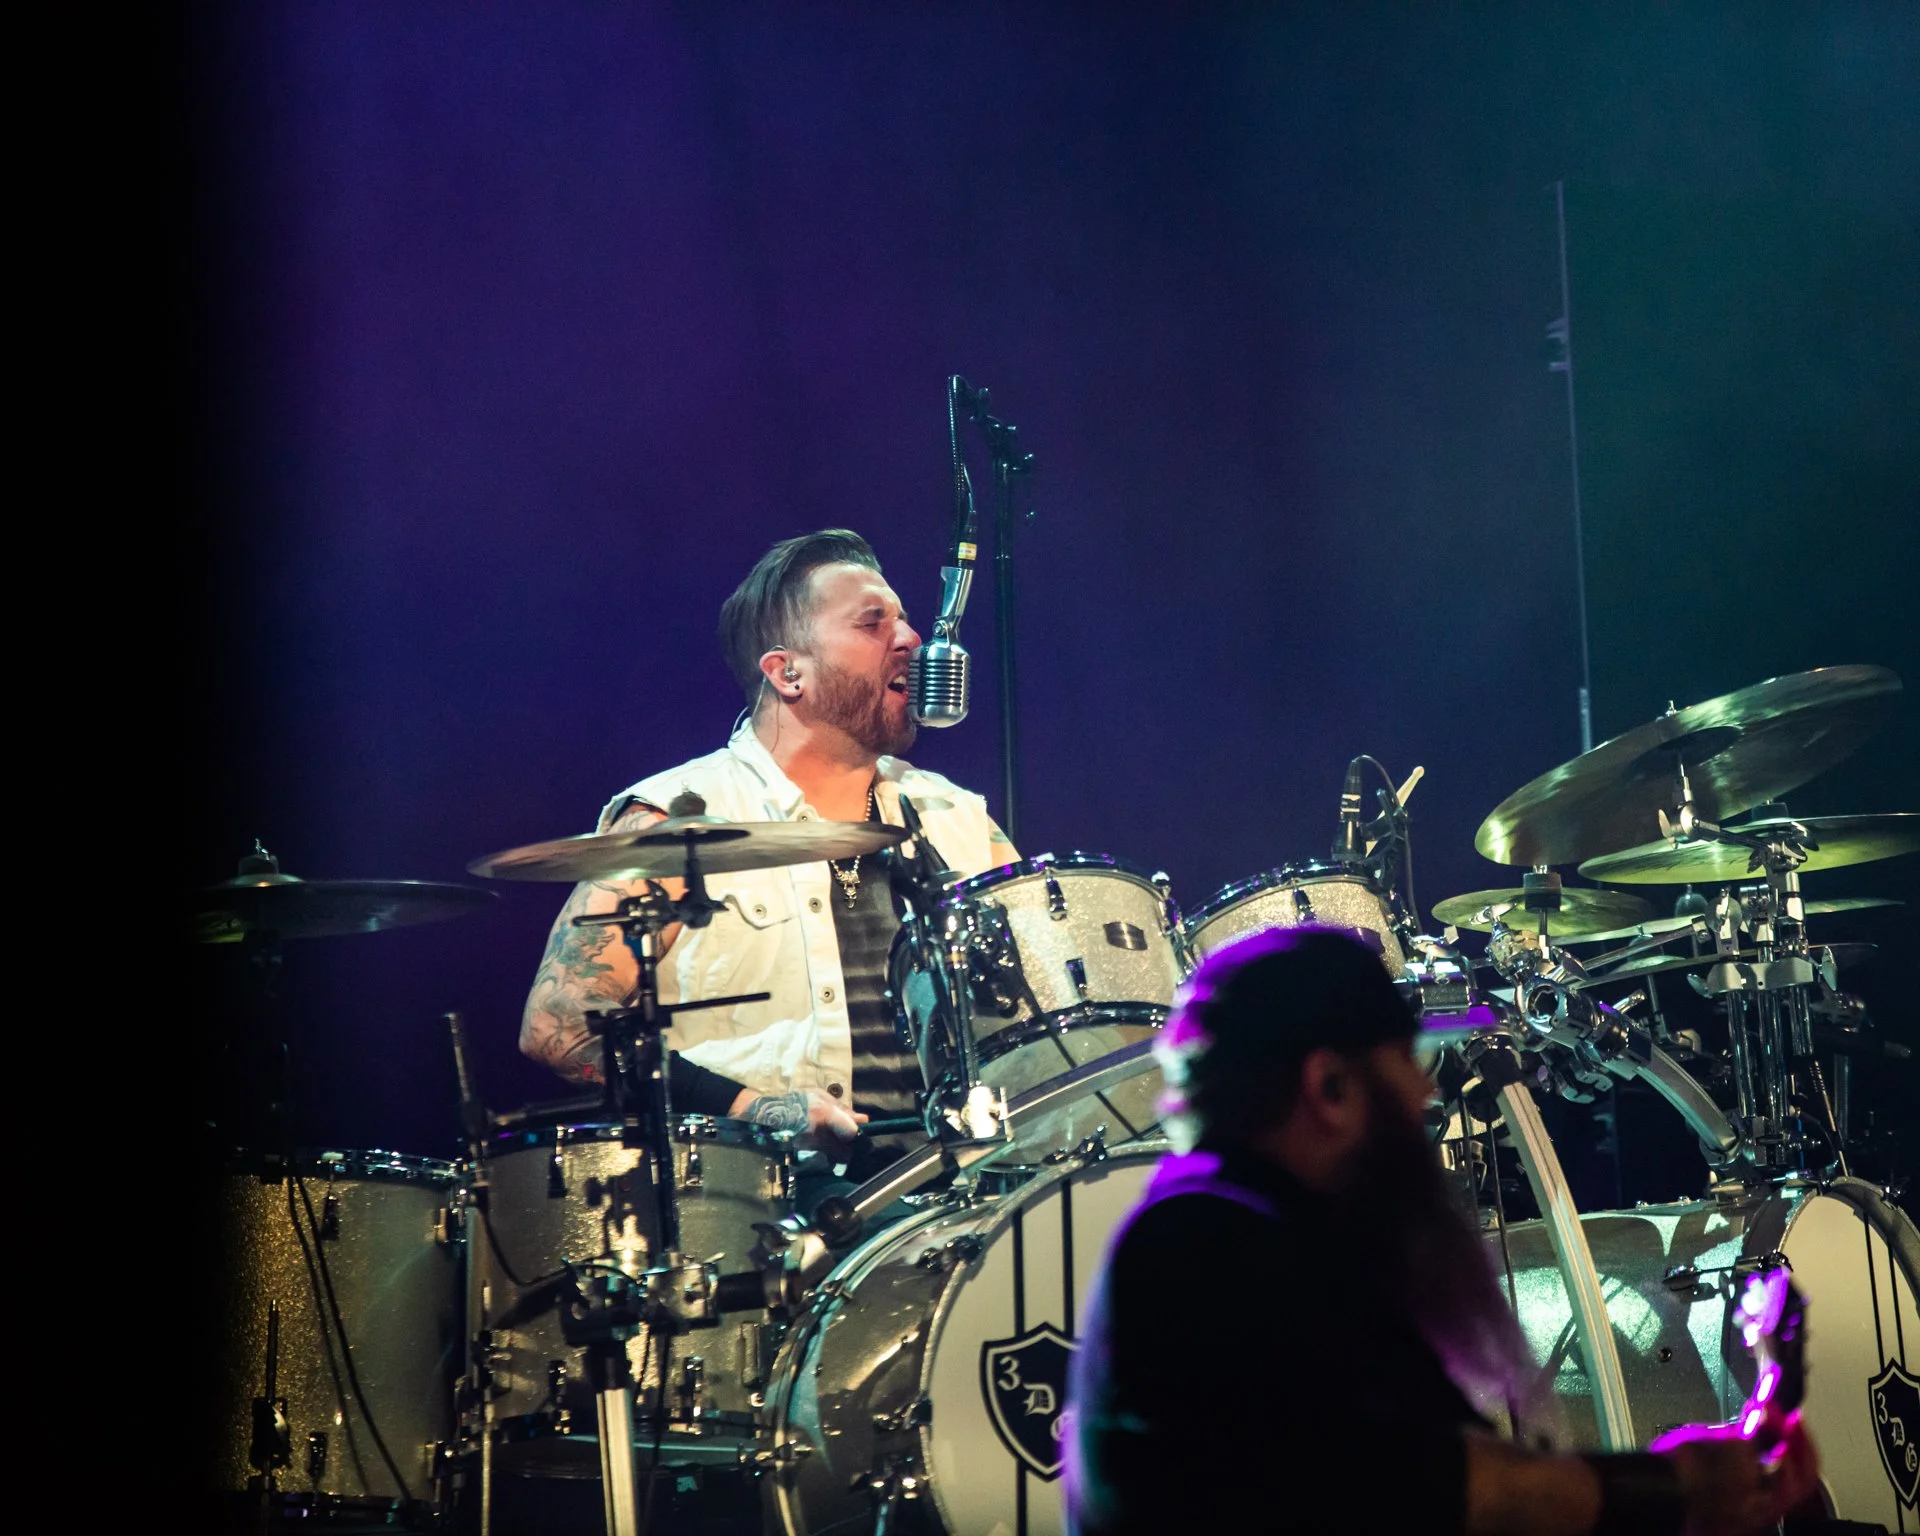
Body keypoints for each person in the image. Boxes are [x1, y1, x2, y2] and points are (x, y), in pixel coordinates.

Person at [1065, 926, 1820, 1536]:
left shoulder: (1267, 1239)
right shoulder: (1209, 1243)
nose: (1427, 1092)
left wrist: (1724, 1463)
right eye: (1406, 1063)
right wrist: (1676, 1487)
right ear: (1330, 1086)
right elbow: (1446, 1491)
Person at [520, 528, 1017, 1172]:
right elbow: (559, 1026)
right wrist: (756, 1109)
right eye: (873, 622)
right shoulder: (674, 818)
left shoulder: (958, 818)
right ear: (787, 673)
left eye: (903, 618)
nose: (911, 639)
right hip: (759, 1208)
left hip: (959, 1200)